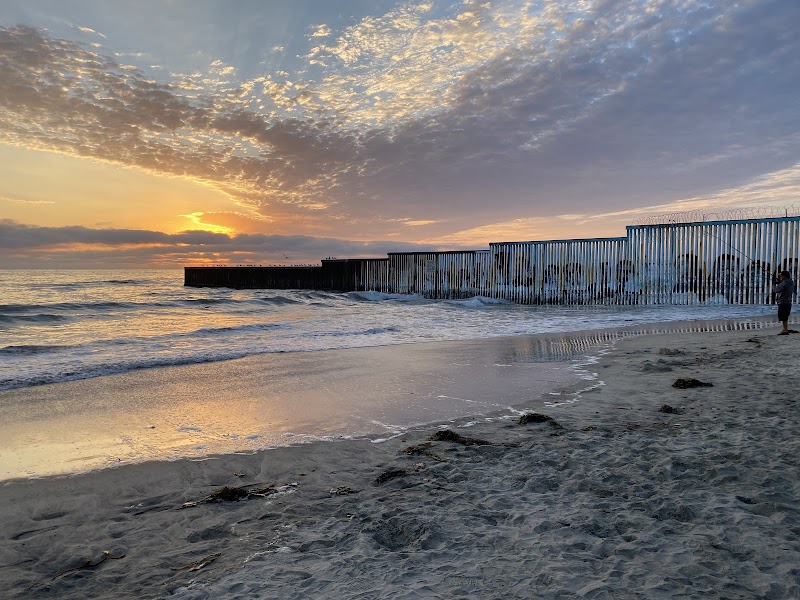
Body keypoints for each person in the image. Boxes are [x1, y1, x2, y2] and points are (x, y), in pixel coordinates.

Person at [773, 270, 796, 335]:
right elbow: (785, 286)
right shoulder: (791, 282)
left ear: (784, 276)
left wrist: (774, 284)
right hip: (788, 302)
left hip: (782, 302)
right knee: (785, 316)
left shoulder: (784, 283)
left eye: (781, 276)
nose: (780, 277)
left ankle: (785, 330)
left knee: (783, 317)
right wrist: (780, 282)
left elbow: (776, 290)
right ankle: (785, 329)